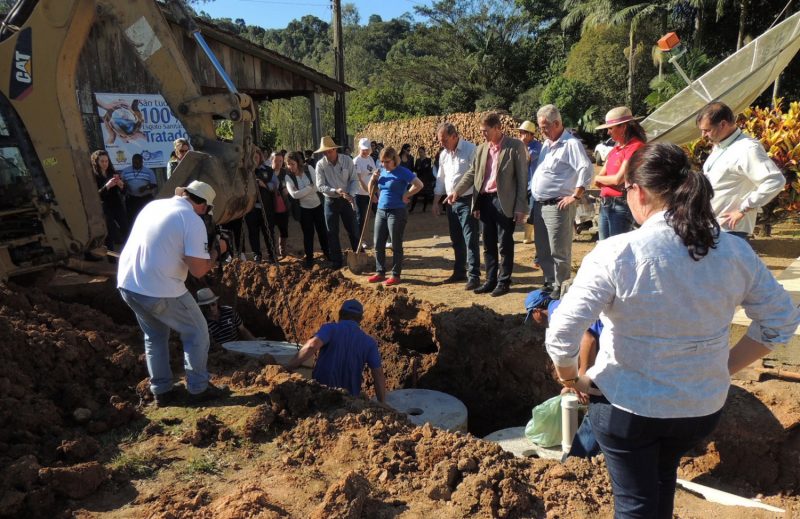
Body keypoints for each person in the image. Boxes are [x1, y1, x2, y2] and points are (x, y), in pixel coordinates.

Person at [545, 142, 800, 518]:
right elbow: (781, 321)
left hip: (628, 409)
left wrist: (571, 378)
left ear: (639, 191)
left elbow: (561, 332)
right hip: (698, 410)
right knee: (662, 481)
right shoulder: (733, 251)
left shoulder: (619, 252)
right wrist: (722, 368)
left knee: (635, 504)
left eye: (626, 189)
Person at [118, 180, 230, 407]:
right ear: (203, 206)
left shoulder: (154, 206)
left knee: (155, 336)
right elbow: (199, 270)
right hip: (160, 289)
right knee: (197, 331)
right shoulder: (191, 219)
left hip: (128, 285)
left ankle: (162, 391)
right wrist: (218, 251)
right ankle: (198, 389)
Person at [446, 112, 528, 297]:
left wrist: (521, 207)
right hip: (484, 201)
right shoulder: (481, 149)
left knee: (504, 244)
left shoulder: (515, 146)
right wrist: (457, 191)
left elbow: (522, 179)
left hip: (504, 201)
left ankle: (504, 281)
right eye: (481, 131)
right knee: (488, 244)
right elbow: (472, 172)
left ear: (497, 128)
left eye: (486, 131)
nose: (483, 134)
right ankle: (490, 280)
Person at [525, 289, 601, 459]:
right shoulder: (562, 306)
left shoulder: (559, 316)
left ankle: (576, 460)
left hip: (614, 364)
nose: (534, 322)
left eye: (532, 317)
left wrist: (581, 379)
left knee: (598, 415)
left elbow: (588, 340)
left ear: (537, 311)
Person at [696, 101, 785, 241]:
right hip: (711, 227)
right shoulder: (720, 146)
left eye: (707, 130)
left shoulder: (747, 149)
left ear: (723, 124)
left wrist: (743, 209)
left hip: (730, 230)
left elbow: (775, 180)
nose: (703, 135)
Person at [531, 105, 592, 298]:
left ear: (557, 123)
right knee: (543, 249)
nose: (542, 131)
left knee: (559, 250)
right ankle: (550, 282)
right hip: (541, 205)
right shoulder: (547, 144)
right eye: (540, 127)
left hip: (557, 206)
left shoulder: (571, 144)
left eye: (545, 127)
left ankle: (561, 285)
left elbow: (585, 168)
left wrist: (576, 195)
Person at [287, 299, 386, 402]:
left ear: (340, 314)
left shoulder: (330, 329)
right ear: (361, 319)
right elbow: (378, 374)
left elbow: (312, 345)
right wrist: (382, 402)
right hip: (350, 402)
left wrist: (288, 367)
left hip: (322, 395)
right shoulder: (369, 342)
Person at [367, 147, 423, 286]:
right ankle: (380, 272)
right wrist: (372, 180)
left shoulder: (403, 171)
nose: (384, 164)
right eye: (382, 161)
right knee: (378, 243)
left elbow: (419, 184)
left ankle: (395, 275)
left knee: (396, 244)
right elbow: (371, 190)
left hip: (397, 211)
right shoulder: (381, 172)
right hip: (381, 211)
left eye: (387, 161)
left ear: (394, 160)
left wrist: (406, 194)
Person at [433, 122, 480, 290]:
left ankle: (474, 276)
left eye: (444, 140)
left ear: (454, 136)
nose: (442, 144)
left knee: (470, 239)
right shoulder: (444, 155)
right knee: (456, 239)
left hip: (467, 200)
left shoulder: (470, 149)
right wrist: (436, 201)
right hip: (450, 203)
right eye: (440, 141)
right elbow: (441, 179)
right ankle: (459, 271)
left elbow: (476, 177)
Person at [593, 107, 647, 240]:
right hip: (606, 203)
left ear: (623, 127)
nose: (608, 132)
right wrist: (603, 179)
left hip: (620, 203)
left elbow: (618, 179)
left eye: (611, 128)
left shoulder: (636, 147)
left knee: (617, 247)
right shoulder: (615, 149)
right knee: (604, 246)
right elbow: (599, 179)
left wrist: (601, 179)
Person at [314, 136, 360, 269]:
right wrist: (335, 191)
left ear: (335, 149)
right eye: (325, 152)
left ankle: (358, 255)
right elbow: (320, 186)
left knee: (353, 229)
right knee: (332, 232)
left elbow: (354, 180)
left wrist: (351, 194)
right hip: (330, 201)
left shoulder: (347, 160)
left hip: (346, 200)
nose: (327, 154)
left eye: (329, 151)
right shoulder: (320, 165)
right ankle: (336, 261)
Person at [285, 151, 330, 268]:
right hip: (304, 209)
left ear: (298, 162)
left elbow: (317, 186)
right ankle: (309, 258)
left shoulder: (308, 168)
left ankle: (327, 253)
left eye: (292, 164)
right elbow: (294, 195)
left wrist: (303, 191)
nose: (290, 167)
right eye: (288, 164)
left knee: (322, 231)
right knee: (308, 234)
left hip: (318, 205)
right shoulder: (288, 176)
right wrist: (309, 187)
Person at [90, 149, 128, 252]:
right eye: (102, 161)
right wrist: (107, 186)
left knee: (125, 228)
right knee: (110, 233)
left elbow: (124, 191)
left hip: (117, 205)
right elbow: (95, 196)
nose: (104, 164)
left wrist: (121, 185)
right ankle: (112, 258)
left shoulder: (113, 173)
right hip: (104, 207)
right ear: (96, 162)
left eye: (106, 161)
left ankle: (129, 252)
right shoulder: (93, 176)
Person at [245, 147, 278, 263]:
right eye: (252, 157)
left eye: (256, 156)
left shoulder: (268, 170)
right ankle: (257, 255)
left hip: (266, 207)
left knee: (268, 231)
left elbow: (276, 184)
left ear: (260, 157)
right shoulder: (245, 171)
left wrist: (265, 185)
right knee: (253, 232)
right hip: (251, 209)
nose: (255, 159)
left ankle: (272, 254)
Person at [518, 120, 542, 247]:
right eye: (520, 132)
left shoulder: (537, 147)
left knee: (533, 210)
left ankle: (530, 236)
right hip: (521, 184)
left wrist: (522, 145)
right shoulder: (520, 145)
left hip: (534, 185)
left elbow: (526, 159)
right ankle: (526, 235)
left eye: (523, 132)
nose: (520, 135)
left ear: (530, 134)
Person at [353, 137, 377, 248]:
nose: (365, 151)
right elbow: (359, 180)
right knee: (361, 218)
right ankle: (361, 241)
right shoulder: (356, 161)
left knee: (379, 214)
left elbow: (374, 174)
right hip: (360, 194)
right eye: (363, 149)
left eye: (367, 149)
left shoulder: (370, 159)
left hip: (372, 192)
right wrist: (370, 193)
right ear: (359, 148)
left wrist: (375, 192)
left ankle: (381, 239)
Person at [121, 153, 158, 223]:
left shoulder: (149, 171)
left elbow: (154, 184)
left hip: (145, 198)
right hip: (131, 199)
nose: (136, 164)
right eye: (134, 162)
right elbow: (121, 183)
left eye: (138, 162)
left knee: (147, 218)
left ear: (142, 162)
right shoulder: (125, 171)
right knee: (132, 219)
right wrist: (126, 186)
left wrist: (146, 187)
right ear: (132, 161)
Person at [268, 152, 291, 258]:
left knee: (284, 229)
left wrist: (288, 190)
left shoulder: (285, 173)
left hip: (283, 206)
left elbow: (292, 184)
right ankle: (273, 251)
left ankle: (283, 249)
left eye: (280, 161)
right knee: (270, 230)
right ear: (271, 160)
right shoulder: (267, 173)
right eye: (276, 160)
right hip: (270, 206)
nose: (278, 163)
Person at [410, 146, 435, 213]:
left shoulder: (428, 160)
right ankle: (412, 208)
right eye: (419, 152)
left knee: (426, 194)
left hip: (426, 179)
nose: (420, 153)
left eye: (421, 152)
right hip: (419, 179)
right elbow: (416, 169)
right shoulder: (417, 160)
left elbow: (428, 169)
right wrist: (421, 169)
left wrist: (420, 168)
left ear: (424, 152)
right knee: (415, 193)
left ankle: (424, 208)